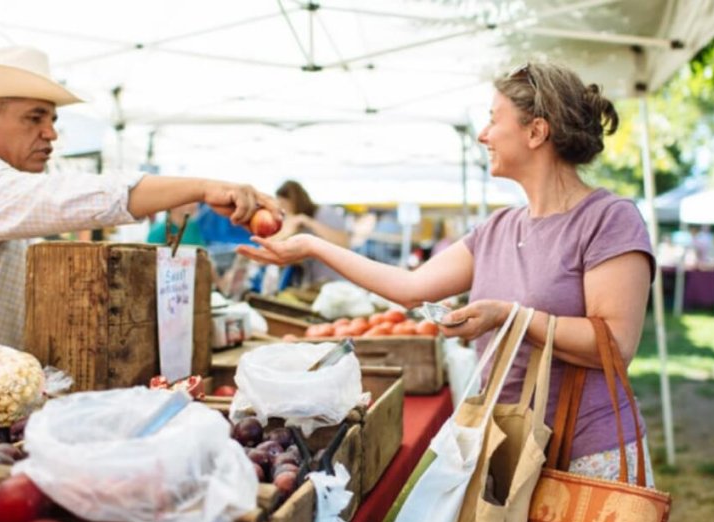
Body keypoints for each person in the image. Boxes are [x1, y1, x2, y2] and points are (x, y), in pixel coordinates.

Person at [239, 62, 656, 485]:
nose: (483, 134)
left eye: (494, 119)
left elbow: (615, 344)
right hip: (511, 449)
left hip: (586, 454)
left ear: (536, 132)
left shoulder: (608, 219)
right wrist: (312, 246)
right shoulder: (498, 228)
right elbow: (409, 288)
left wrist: (510, 317)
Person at [0, 46, 281, 349]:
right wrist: (201, 188)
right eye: (34, 118)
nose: (51, 133)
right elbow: (65, 197)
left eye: (52, 119)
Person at [274, 180, 349, 285]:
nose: (283, 209)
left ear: (295, 201)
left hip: (336, 282)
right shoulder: (293, 222)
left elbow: (343, 244)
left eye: (284, 204)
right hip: (314, 283)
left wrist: (307, 221)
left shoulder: (324, 213)